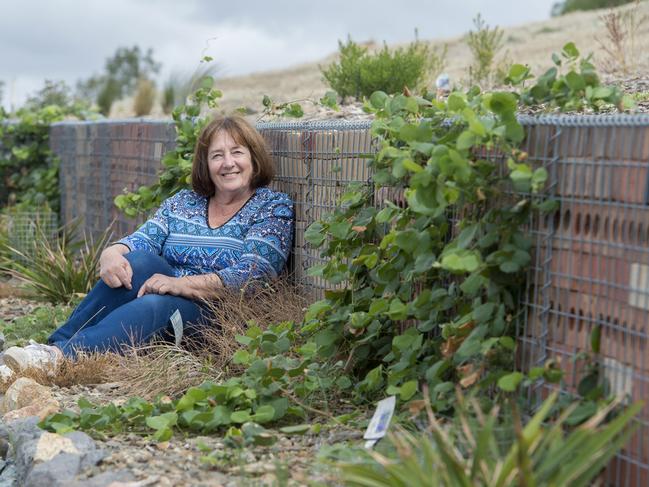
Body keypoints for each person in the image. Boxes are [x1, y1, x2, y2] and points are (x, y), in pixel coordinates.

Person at [1, 115, 295, 376]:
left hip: (216, 317)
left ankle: (60, 358)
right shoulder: (184, 202)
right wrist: (112, 253)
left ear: (254, 158)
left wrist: (180, 284)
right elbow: (143, 239)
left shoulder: (271, 207)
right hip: (165, 290)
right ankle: (49, 349)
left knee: (157, 302)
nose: (228, 163)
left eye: (237, 152)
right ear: (206, 164)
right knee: (139, 262)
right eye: (217, 155)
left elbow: (254, 274)